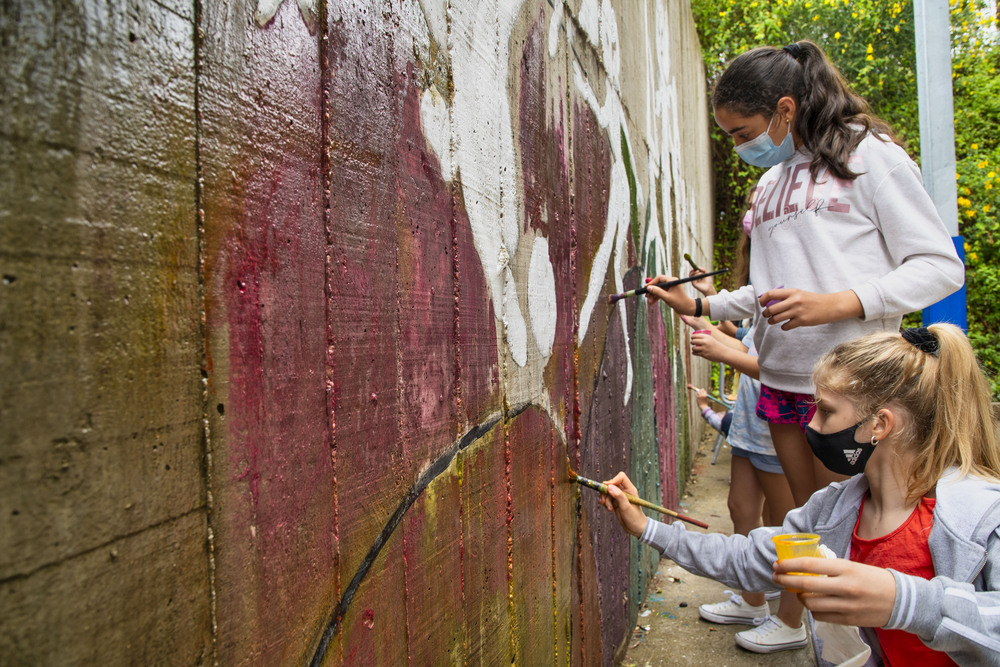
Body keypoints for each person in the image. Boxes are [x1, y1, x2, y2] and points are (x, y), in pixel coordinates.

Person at [645, 40, 965, 508]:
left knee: (855, 533)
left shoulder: (869, 155)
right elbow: (769, 292)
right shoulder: (770, 181)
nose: (737, 146)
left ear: (785, 109)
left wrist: (838, 303)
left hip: (851, 388)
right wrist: (699, 305)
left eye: (742, 132)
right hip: (780, 383)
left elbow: (940, 268)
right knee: (810, 527)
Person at [601, 324, 1000, 665]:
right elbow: (747, 557)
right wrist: (646, 528)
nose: (810, 423)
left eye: (825, 411)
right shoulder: (834, 509)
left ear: (879, 425)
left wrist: (906, 603)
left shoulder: (981, 514)